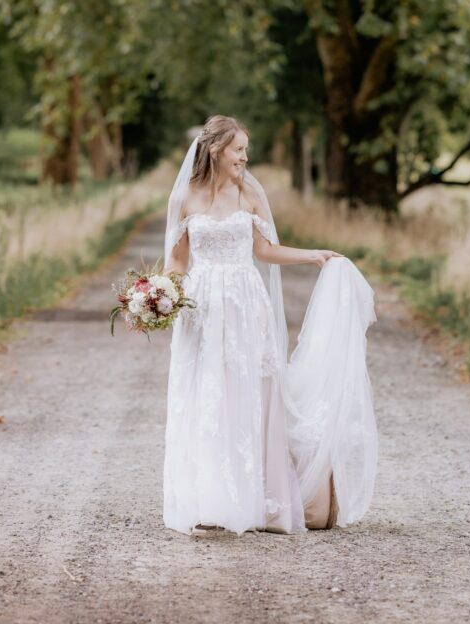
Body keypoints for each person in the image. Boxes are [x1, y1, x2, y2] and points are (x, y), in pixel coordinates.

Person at [162, 115, 378, 535]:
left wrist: (313, 255)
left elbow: (265, 250)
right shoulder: (184, 198)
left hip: (245, 306)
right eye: (238, 149)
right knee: (208, 396)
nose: (245, 157)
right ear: (215, 150)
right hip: (201, 307)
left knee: (251, 395)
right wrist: (160, 296)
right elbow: (177, 261)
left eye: (245, 149)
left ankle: (254, 498)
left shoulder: (249, 195)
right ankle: (209, 501)